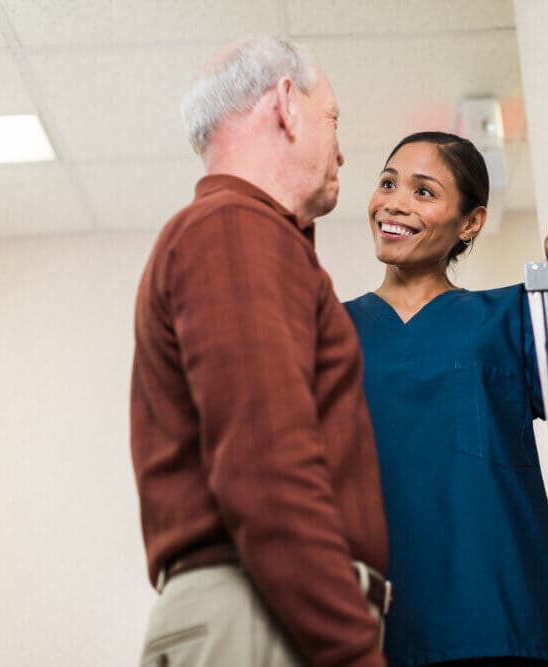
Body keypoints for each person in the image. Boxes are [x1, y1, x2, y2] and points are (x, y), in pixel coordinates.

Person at [130, 36, 389, 666]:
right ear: (285, 106)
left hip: (262, 610)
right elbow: (265, 470)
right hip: (259, 615)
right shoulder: (234, 231)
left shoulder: (241, 235)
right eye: (332, 119)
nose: (342, 149)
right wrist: (356, 654)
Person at [344, 131, 548, 667]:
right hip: (376, 629)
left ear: (470, 221)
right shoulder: (329, 332)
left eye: (424, 192)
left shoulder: (510, 317)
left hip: (506, 619)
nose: (395, 202)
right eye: (388, 183)